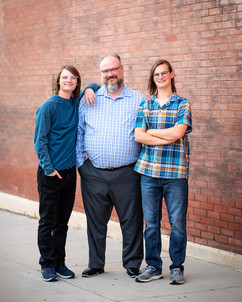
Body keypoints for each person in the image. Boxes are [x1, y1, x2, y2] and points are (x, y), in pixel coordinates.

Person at [76, 54, 146, 278]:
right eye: (105, 71)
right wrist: (82, 166)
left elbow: (145, 133)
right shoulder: (89, 99)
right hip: (93, 173)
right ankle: (96, 264)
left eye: (113, 69)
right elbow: (79, 134)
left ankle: (132, 264)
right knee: (95, 222)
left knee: (132, 220)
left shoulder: (139, 100)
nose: (110, 74)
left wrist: (139, 167)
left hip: (128, 172)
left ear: (122, 69)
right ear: (101, 74)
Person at [34, 65, 100, 282]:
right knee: (48, 222)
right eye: (65, 77)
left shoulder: (76, 102)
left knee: (63, 222)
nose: (69, 80)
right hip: (50, 174)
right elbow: (40, 141)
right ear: (58, 81)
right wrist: (49, 168)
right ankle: (46, 263)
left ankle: (59, 262)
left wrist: (90, 87)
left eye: (73, 77)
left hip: (70, 173)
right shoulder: (48, 107)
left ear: (77, 81)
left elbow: (97, 85)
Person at [134, 59, 192, 285]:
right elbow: (139, 136)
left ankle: (177, 267)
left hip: (175, 174)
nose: (160, 77)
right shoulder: (146, 105)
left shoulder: (182, 104)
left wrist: (153, 133)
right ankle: (153, 266)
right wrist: (164, 135)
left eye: (164, 73)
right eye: (156, 74)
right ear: (153, 78)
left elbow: (178, 133)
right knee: (151, 224)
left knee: (178, 224)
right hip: (148, 173)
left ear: (172, 74)